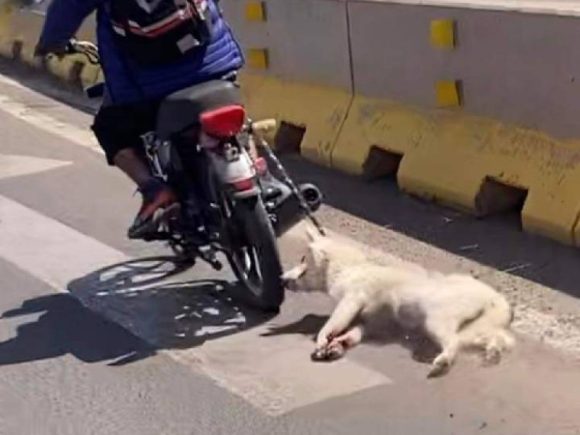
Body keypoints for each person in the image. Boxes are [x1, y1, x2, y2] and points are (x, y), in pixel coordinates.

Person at [35, 0, 244, 239]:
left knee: (110, 128)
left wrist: (52, 42)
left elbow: (68, 6)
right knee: (233, 114)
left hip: (146, 89)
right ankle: (263, 177)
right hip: (214, 61)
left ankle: (153, 190)